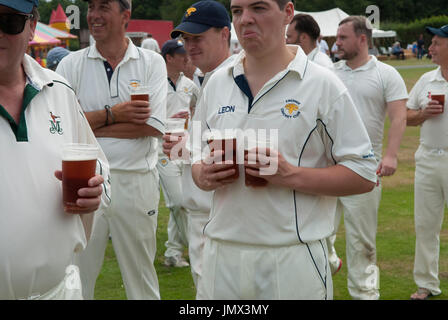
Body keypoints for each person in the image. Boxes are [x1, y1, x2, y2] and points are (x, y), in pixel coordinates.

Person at [190, 0, 377, 300]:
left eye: (259, 8)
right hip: (219, 255)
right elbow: (194, 156)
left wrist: (290, 175)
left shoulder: (322, 84)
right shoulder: (216, 84)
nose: (246, 19)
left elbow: (364, 174)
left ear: (288, 13)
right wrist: (203, 174)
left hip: (292, 258)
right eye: (238, 11)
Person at [56, 0, 167, 300]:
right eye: (91, 7)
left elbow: (154, 127)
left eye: (103, 7)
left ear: (125, 16)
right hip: (86, 181)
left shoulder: (151, 62)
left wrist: (88, 121)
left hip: (136, 182)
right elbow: (64, 127)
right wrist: (115, 114)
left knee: (141, 279)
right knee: (76, 278)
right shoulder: (70, 64)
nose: (93, 15)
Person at [0, 0, 110, 299]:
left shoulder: (58, 90)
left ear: (32, 28)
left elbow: (99, 166)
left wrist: (95, 190)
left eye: (9, 22)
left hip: (57, 291)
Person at [329, 16, 408, 300]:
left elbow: (399, 118)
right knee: (315, 235)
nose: (336, 43)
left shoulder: (385, 74)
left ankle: (367, 295)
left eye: (342, 38)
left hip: (365, 169)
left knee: (362, 243)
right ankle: (324, 277)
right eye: (336, 37)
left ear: (362, 39)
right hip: (327, 168)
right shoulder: (329, 73)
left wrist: (390, 156)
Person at [162, 0, 236, 290]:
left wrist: (186, 146)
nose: (189, 46)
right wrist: (185, 141)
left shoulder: (233, 79)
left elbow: (231, 150)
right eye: (186, 39)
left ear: (224, 35)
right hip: (202, 215)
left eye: (198, 38)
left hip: (217, 215)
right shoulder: (208, 80)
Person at [406, 24, 448, 300]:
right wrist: (423, 113)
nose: (430, 47)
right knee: (425, 225)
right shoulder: (426, 80)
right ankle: (426, 285)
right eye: (431, 42)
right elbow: (406, 117)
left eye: (437, 42)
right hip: (428, 158)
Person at [159, 39, 199, 268]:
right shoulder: (155, 83)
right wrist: (168, 122)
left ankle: (173, 253)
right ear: (169, 58)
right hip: (160, 147)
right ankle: (198, 245)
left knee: (182, 202)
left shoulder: (189, 85)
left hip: (183, 147)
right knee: (176, 202)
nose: (187, 57)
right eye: (181, 54)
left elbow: (199, 107)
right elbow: (145, 118)